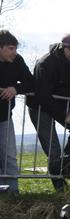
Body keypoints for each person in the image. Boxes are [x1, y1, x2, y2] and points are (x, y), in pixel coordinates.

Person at [27, 34, 70, 191]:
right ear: (67, 50)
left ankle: (65, 164)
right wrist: (65, 116)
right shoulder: (45, 63)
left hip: (61, 104)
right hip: (40, 107)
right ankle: (61, 188)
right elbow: (43, 96)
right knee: (53, 150)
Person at [0, 30, 33, 194]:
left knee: (9, 156)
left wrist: (15, 88)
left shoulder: (17, 61)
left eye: (15, 49)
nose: (14, 53)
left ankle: (12, 194)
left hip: (5, 116)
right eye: (11, 48)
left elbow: (31, 82)